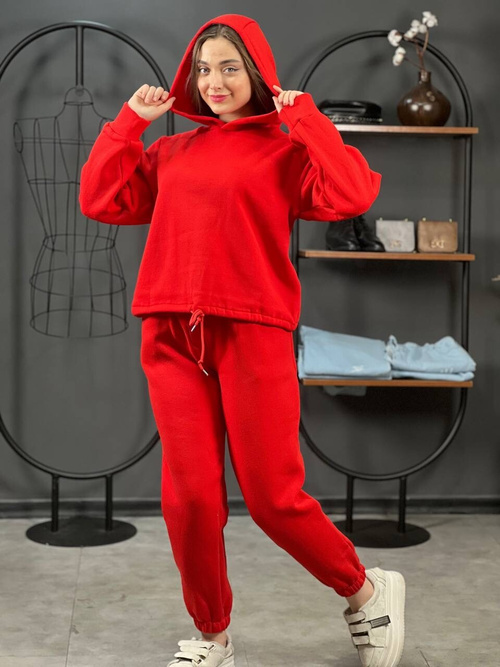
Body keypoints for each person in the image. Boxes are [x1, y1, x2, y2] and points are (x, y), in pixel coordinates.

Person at [79, 13, 406, 667]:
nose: (214, 82)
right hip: (171, 334)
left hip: (253, 331)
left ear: (256, 74)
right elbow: (100, 199)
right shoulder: (170, 152)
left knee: (273, 498)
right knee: (190, 499)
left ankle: (365, 590)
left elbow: (351, 192)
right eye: (204, 70)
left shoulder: (286, 151)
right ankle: (212, 635)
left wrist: (306, 120)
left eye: (229, 68)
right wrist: (128, 125)